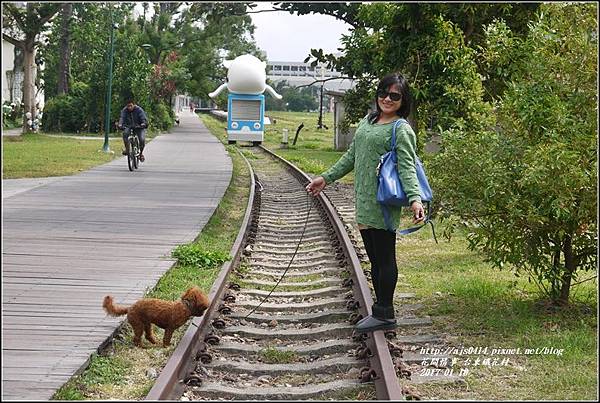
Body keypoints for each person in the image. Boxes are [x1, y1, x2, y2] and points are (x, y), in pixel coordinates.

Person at [306, 73, 425, 334]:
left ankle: (385, 313)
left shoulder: (401, 129)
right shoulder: (369, 121)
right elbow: (351, 156)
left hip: (383, 202)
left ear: (403, 100)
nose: (387, 98)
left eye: (395, 95)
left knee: (384, 258)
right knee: (374, 258)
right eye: (384, 92)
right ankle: (380, 310)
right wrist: (325, 178)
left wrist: (415, 200)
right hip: (363, 201)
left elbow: (407, 167)